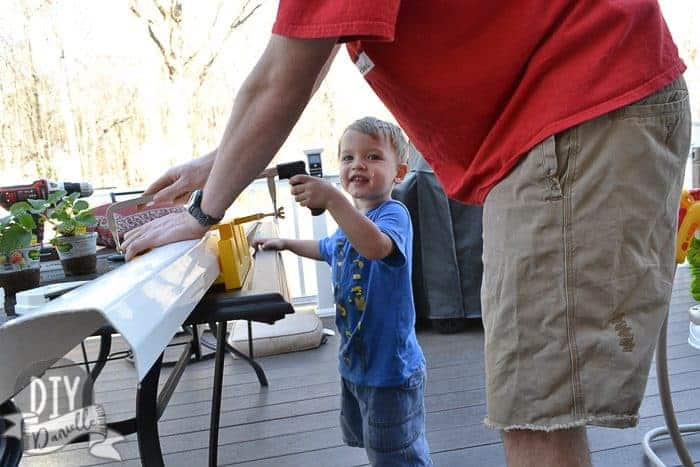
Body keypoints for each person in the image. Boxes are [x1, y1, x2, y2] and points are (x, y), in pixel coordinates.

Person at [121, 2, 692, 466]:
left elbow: (281, 78)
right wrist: (220, 166)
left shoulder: (391, 214)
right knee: (529, 406)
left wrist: (203, 213)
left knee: (535, 415)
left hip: (581, 105)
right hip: (566, 112)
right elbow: (308, 58)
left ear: (398, 170)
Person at [253, 117, 431, 466]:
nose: (357, 164)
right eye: (348, 158)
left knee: (400, 455)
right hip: (355, 364)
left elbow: (375, 247)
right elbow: (326, 247)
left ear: (399, 172)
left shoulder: (393, 215)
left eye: (373, 157)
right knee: (378, 448)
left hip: (391, 371)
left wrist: (334, 200)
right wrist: (286, 242)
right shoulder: (351, 222)